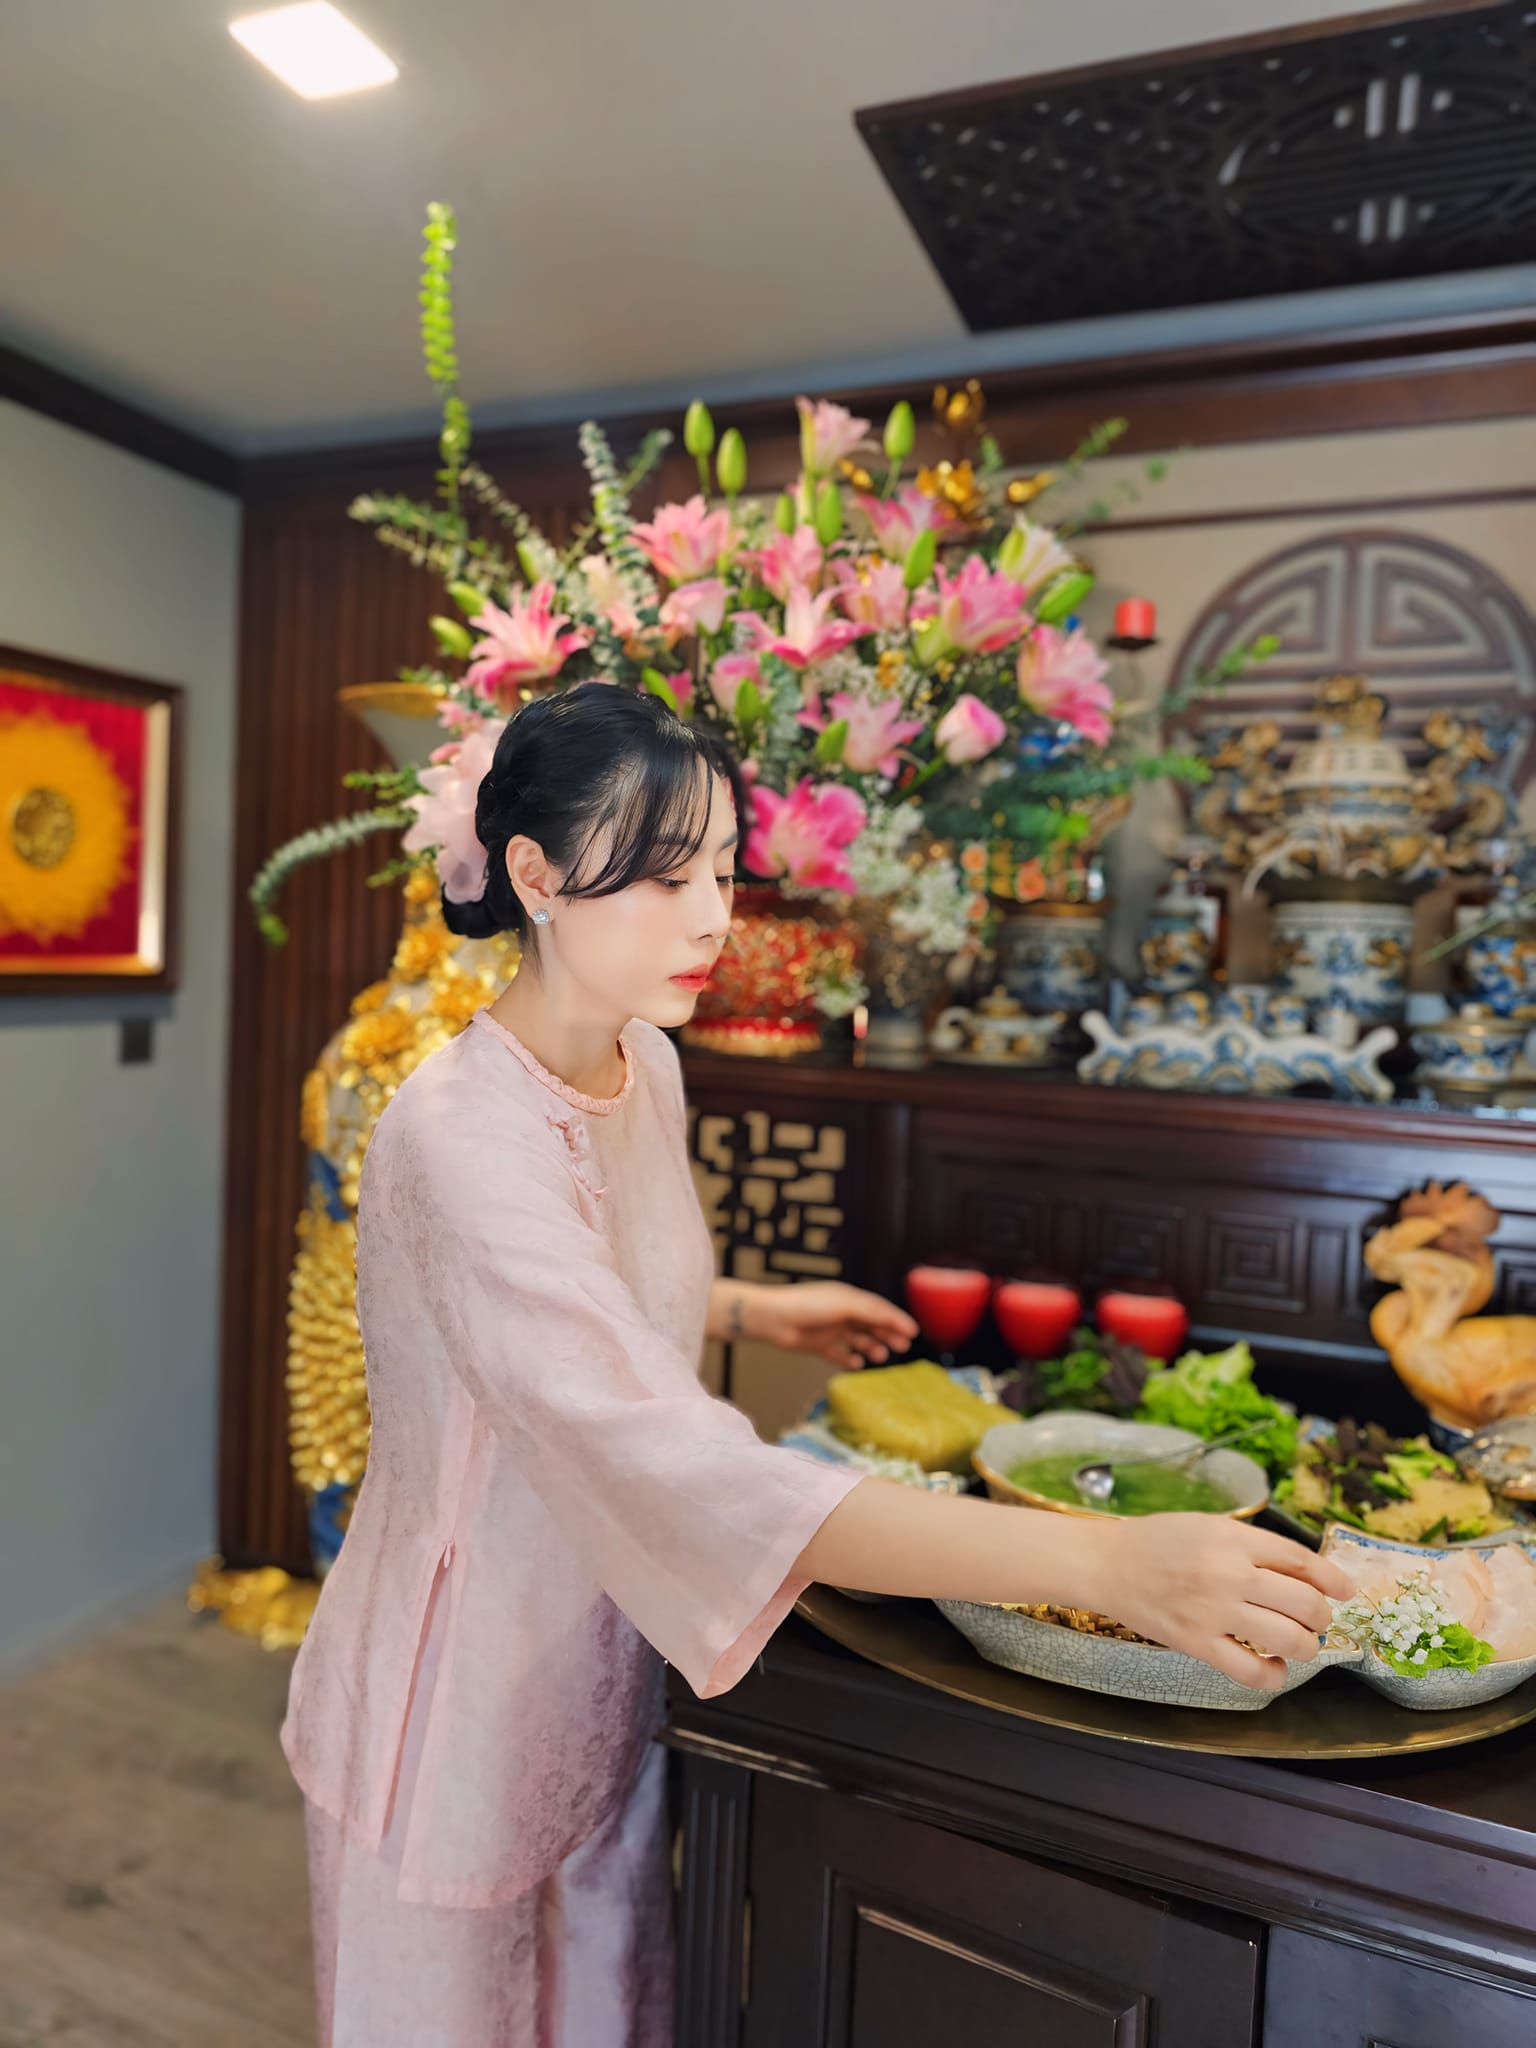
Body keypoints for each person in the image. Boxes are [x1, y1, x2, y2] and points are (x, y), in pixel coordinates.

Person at [282, 682, 1348, 2046]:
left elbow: (573, 1305)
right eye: (664, 875)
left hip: (596, 1640)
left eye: (724, 871)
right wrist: (1106, 1566)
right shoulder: (457, 1136)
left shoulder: (643, 1062)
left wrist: (754, 1308)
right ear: (536, 877)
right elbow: (655, 1446)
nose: (713, 919)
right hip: (457, 1689)